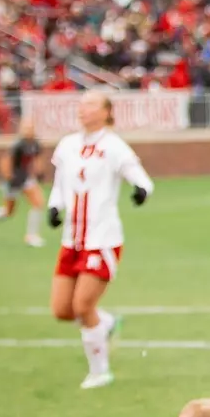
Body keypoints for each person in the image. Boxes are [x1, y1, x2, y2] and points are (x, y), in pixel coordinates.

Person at [48, 90, 155, 389]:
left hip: (102, 238)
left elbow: (142, 179)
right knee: (61, 310)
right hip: (73, 240)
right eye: (81, 105)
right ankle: (105, 323)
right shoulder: (67, 145)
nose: (83, 110)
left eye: (91, 105)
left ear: (107, 111)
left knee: (83, 305)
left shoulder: (113, 146)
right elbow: (60, 184)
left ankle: (100, 371)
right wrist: (54, 207)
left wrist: (141, 190)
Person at [0, 119, 46, 247]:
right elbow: (6, 161)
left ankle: (31, 235)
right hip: (13, 181)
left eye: (31, 127)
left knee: (38, 203)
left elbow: (37, 159)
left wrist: (39, 172)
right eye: (26, 127)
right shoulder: (18, 145)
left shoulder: (35, 144)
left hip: (25, 178)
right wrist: (9, 177)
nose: (29, 130)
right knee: (8, 212)